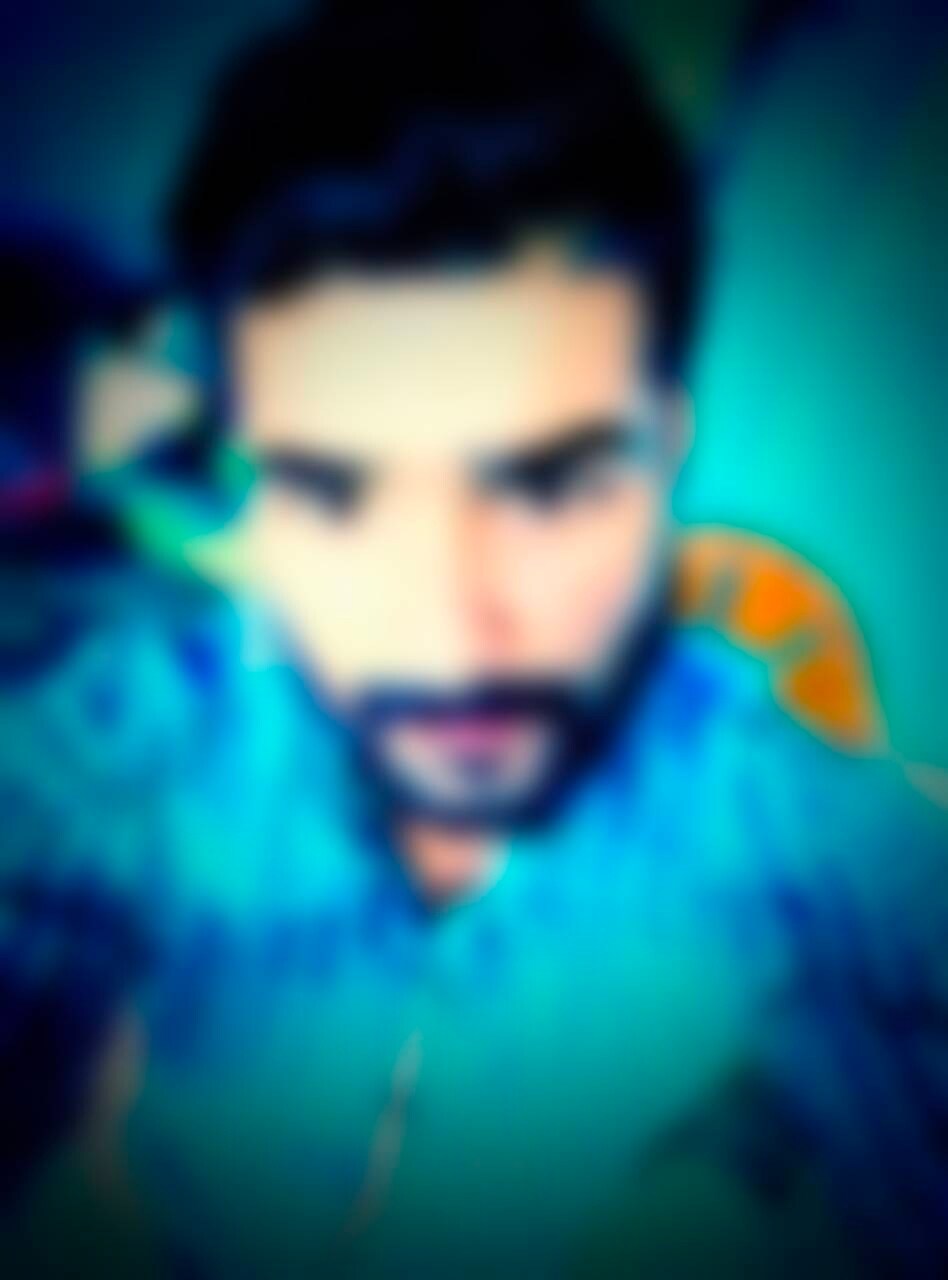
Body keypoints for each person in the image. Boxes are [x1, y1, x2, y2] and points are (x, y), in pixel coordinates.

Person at [2, 2, 946, 1275]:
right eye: (334, 491)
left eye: (551, 483)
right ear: (248, 484)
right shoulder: (123, 750)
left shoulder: (806, 849)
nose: (450, 632)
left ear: (666, 453)